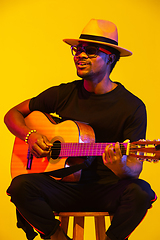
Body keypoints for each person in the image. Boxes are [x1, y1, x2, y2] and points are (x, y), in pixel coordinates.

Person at [4, 19, 157, 240]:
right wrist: (30, 135)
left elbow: (134, 169)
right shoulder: (63, 94)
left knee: (141, 192)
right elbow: (12, 115)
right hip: (63, 188)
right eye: (78, 49)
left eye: (91, 51)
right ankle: (57, 237)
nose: (80, 55)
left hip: (107, 189)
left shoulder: (132, 106)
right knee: (20, 186)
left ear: (110, 58)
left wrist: (120, 166)